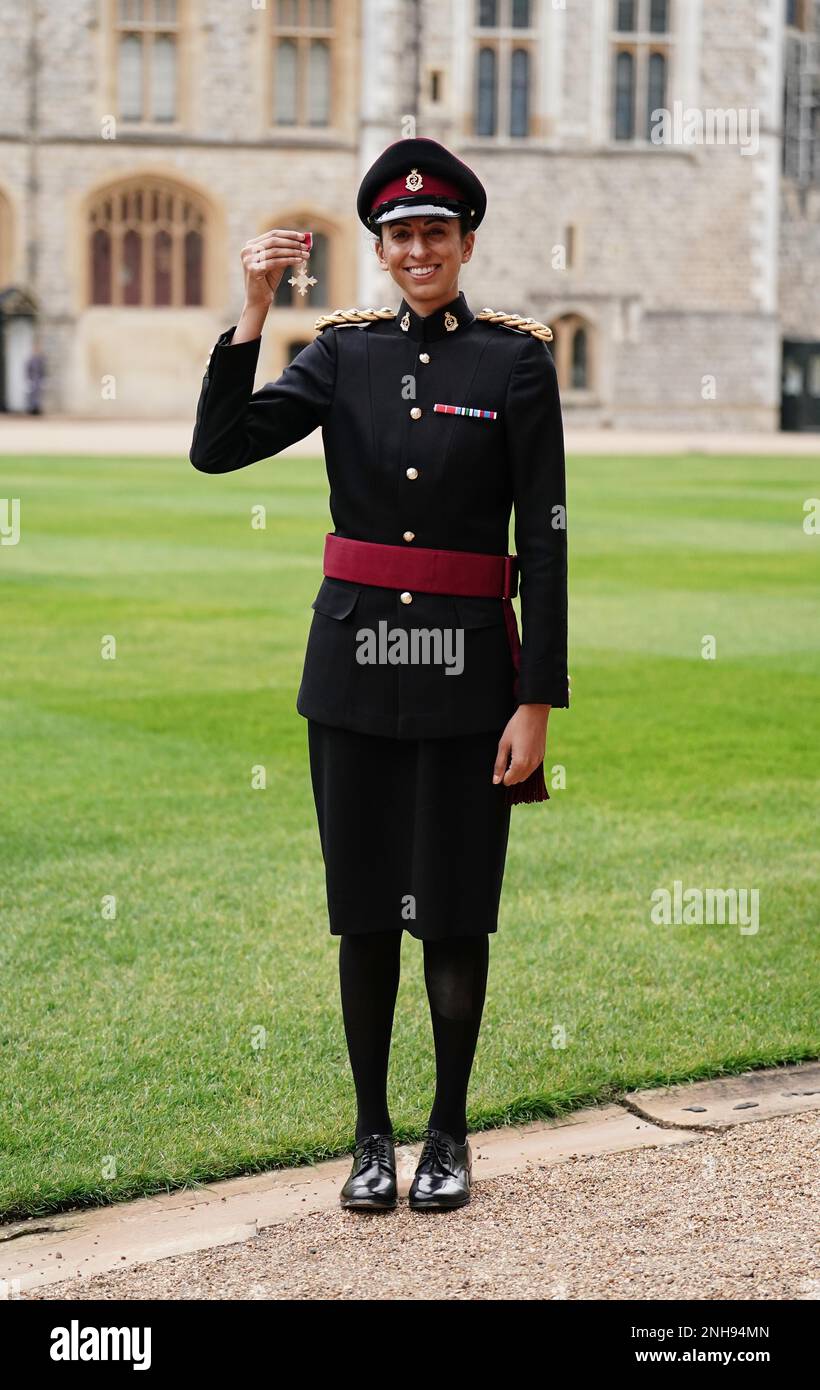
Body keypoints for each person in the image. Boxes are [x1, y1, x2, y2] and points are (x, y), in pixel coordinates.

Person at [189, 136, 568, 1213]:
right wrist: (252, 310)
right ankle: (370, 1136)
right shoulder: (340, 354)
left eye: (434, 234)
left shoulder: (514, 361)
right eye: (399, 236)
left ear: (464, 242)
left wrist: (535, 698)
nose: (417, 250)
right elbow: (218, 448)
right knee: (362, 913)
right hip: (351, 669)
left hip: (466, 678)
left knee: (452, 911)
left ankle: (448, 1132)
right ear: (379, 247)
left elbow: (542, 538)